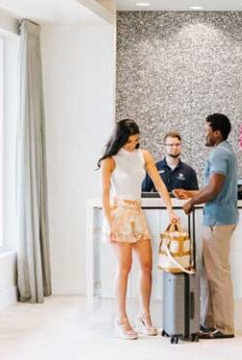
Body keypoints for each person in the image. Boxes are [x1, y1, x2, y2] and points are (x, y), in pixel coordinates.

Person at [98, 119, 178, 340]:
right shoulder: (109, 161)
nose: (133, 144)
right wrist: (110, 222)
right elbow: (104, 194)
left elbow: (160, 184)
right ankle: (121, 319)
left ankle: (144, 315)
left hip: (136, 212)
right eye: (129, 141)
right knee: (125, 267)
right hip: (118, 213)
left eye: (136, 140)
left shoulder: (144, 156)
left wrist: (170, 209)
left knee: (146, 265)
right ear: (120, 139)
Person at [174, 113, 238, 340]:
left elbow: (214, 190)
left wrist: (192, 201)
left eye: (207, 130)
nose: (205, 133)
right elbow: (210, 187)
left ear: (217, 132)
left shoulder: (219, 153)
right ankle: (210, 323)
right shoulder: (225, 151)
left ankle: (224, 327)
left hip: (217, 221)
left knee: (217, 276)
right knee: (211, 274)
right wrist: (190, 193)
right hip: (218, 219)